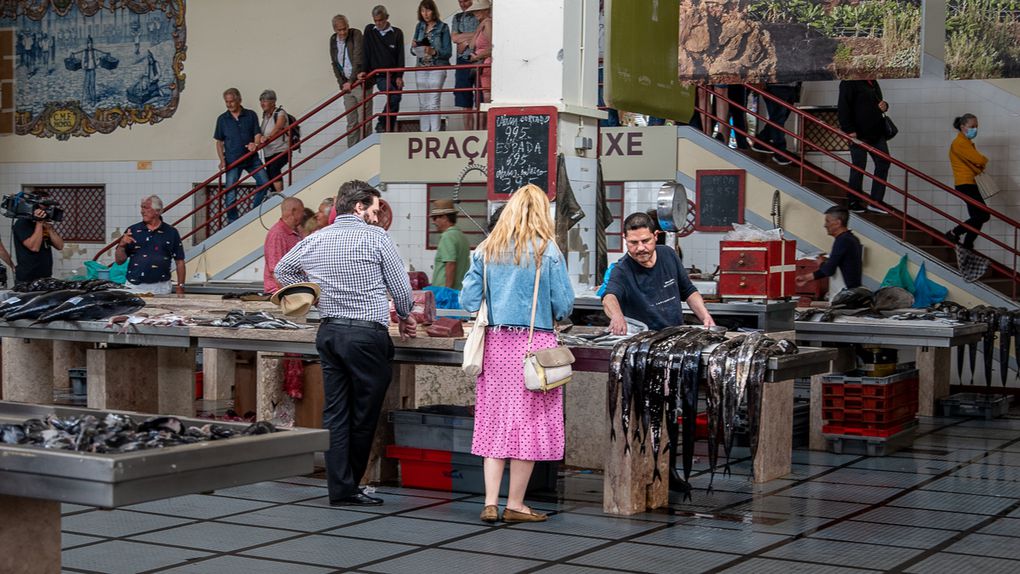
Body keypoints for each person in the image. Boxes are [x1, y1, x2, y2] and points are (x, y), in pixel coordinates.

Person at [275, 180, 416, 507]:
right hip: (367, 336)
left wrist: (313, 293)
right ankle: (352, 485)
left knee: (336, 413)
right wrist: (406, 314)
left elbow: (283, 270)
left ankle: (340, 487)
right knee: (363, 415)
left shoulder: (317, 238)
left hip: (330, 333)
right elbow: (402, 290)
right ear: (359, 207)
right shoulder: (376, 237)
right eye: (375, 208)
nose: (377, 215)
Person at [459, 184, 574, 524]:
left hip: (495, 349)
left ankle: (490, 502)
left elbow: (467, 301)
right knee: (528, 425)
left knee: (494, 423)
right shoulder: (548, 251)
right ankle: (516, 504)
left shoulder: (485, 249)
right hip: (534, 349)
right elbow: (564, 306)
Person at [602, 211, 715, 335]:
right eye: (633, 242)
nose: (640, 248)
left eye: (645, 241)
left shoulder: (669, 254)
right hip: (642, 339)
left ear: (655, 235)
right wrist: (617, 316)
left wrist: (705, 316)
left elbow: (688, 291)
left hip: (675, 336)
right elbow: (609, 297)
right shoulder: (621, 270)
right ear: (625, 239)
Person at [214, 88, 270, 223]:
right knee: (230, 194)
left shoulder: (250, 115)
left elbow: (257, 134)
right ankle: (233, 222)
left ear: (239, 100)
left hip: (251, 158)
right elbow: (219, 142)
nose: (229, 105)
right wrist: (222, 161)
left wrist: (255, 144)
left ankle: (254, 213)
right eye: (227, 102)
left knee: (264, 182)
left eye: (232, 101)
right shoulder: (222, 119)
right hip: (232, 161)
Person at [837, 79, 891, 214]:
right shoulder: (849, 82)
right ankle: (853, 200)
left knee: (883, 161)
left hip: (876, 131)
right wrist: (849, 130)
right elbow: (843, 107)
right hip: (858, 133)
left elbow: (876, 102)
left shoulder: (872, 81)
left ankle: (876, 201)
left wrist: (885, 106)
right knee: (859, 165)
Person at [114, 195, 186, 295]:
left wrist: (180, 285)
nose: (142, 211)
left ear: (157, 211)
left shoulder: (171, 232)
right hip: (135, 286)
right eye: (141, 207)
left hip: (162, 287)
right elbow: (119, 261)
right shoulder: (133, 230)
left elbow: (180, 261)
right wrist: (121, 245)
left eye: (146, 208)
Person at [944, 113, 990, 250]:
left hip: (968, 183)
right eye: (972, 126)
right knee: (983, 215)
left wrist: (980, 162)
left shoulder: (966, 143)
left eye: (976, 127)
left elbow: (978, 161)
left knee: (977, 216)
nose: (975, 129)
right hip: (965, 184)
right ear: (963, 126)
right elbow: (980, 160)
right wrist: (982, 161)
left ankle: (968, 244)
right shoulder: (960, 143)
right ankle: (955, 233)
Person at [360, 5, 405, 133]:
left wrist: (399, 76)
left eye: (381, 20)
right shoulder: (370, 31)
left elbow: (400, 56)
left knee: (396, 98)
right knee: (393, 95)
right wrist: (363, 70)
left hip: (394, 73)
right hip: (379, 74)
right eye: (376, 20)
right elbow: (366, 52)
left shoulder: (397, 33)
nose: (378, 23)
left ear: (387, 18)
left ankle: (387, 128)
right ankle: (382, 123)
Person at [795, 206, 863, 290]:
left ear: (838, 223)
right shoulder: (852, 239)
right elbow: (836, 264)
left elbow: (829, 270)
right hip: (854, 290)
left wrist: (821, 263)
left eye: (827, 221)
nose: (825, 225)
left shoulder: (842, 241)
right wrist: (806, 278)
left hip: (848, 292)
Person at [411, 0, 452, 132]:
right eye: (423, 11)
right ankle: (424, 134)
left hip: (437, 67)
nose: (425, 14)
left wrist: (434, 51)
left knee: (433, 102)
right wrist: (414, 47)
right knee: (423, 104)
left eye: (428, 10)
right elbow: (413, 51)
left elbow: (448, 52)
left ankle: (434, 134)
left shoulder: (443, 27)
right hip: (421, 67)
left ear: (433, 11)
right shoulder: (419, 26)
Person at [329, 14, 366, 147]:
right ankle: (352, 152)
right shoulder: (333, 40)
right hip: (346, 85)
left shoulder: (355, 34)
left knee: (364, 121)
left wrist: (350, 81)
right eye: (340, 30)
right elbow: (334, 63)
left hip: (358, 82)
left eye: (345, 28)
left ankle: (365, 150)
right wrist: (342, 84)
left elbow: (358, 59)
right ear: (335, 30)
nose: (343, 32)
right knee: (351, 123)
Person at [12, 193, 64, 285]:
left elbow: (60, 245)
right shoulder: (22, 223)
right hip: (27, 278)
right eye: (44, 206)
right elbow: (34, 247)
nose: (46, 210)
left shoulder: (45, 224)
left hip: (45, 276)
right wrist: (39, 223)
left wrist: (49, 229)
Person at [750, 82, 801, 166]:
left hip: (790, 85)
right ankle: (780, 152)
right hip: (777, 85)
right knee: (778, 120)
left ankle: (761, 141)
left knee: (778, 119)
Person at [263, 197, 305, 294]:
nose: (303, 215)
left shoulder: (296, 231)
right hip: (279, 292)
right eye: (302, 211)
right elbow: (276, 271)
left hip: (291, 289)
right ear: (293, 212)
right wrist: (286, 294)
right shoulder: (277, 234)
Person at [450, 0, 479, 129]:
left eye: (466, 1)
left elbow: (485, 34)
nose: (463, 4)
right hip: (462, 60)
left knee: (482, 98)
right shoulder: (457, 17)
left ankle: (481, 130)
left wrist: (466, 41)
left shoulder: (480, 15)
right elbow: (455, 38)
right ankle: (468, 130)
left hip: (480, 59)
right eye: (460, 1)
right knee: (464, 97)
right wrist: (474, 36)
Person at [429, 199, 470, 290]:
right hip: (459, 290)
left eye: (435, 218)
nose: (433, 222)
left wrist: (447, 291)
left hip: (445, 292)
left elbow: (450, 264)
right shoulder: (460, 236)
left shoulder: (447, 236)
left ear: (444, 218)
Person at [256, 89, 290, 194]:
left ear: (273, 102)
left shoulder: (280, 113)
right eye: (261, 101)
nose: (262, 104)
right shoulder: (265, 116)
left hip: (281, 149)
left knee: (274, 169)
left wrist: (268, 137)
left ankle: (280, 195)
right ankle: (273, 196)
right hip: (268, 152)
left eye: (265, 101)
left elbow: (278, 127)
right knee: (269, 174)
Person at [467, 0, 492, 103]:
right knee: (485, 94)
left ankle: (489, 118)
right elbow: (472, 45)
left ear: (486, 10)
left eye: (478, 10)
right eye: (474, 11)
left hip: (486, 63)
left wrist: (477, 57)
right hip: (483, 64)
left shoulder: (488, 24)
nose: (475, 13)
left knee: (487, 95)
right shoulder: (483, 24)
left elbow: (493, 48)